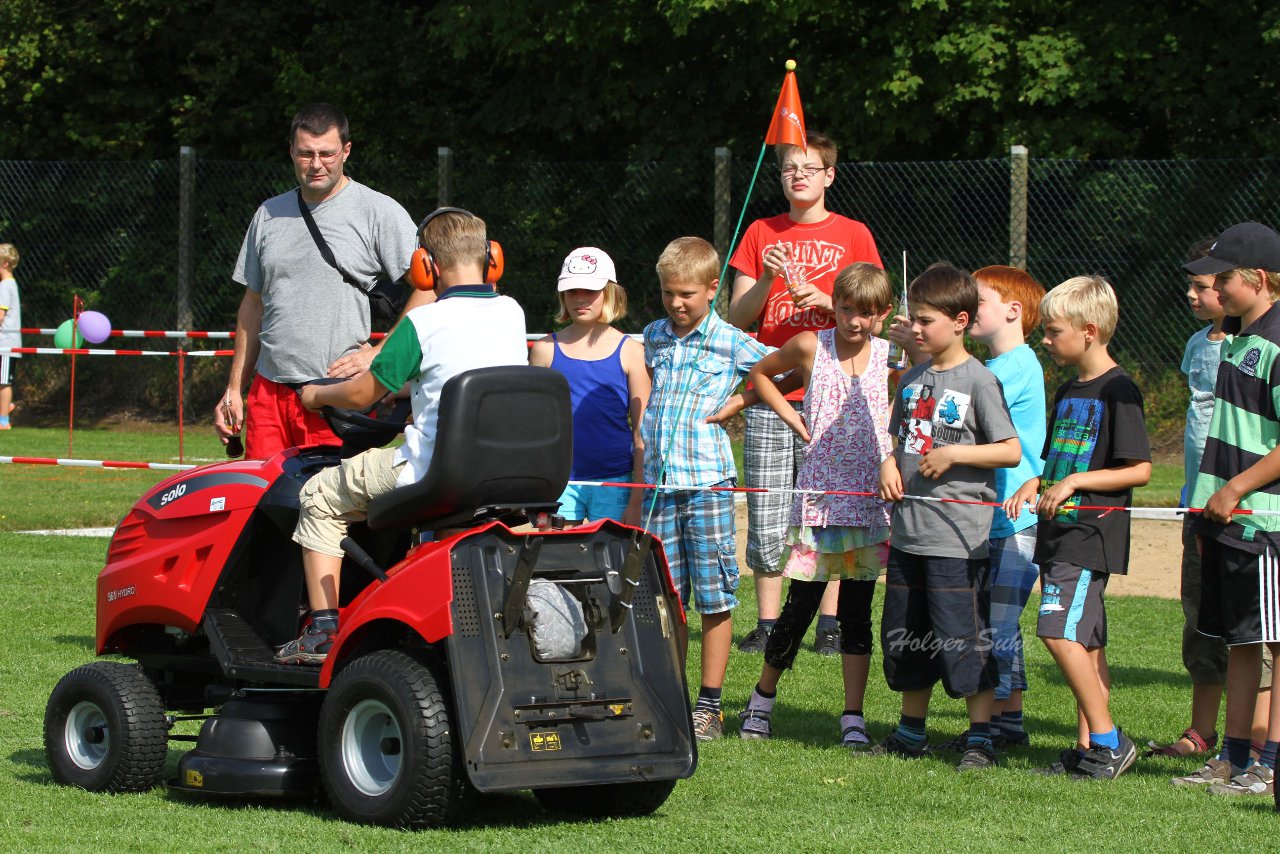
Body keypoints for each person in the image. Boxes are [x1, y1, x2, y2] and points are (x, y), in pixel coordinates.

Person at [275, 209, 527, 664]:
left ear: (424, 268)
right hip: (502, 472)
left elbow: (359, 393)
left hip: (435, 471)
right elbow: (466, 373)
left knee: (318, 496)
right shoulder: (511, 312)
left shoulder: (422, 323)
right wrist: (414, 390)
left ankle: (323, 633)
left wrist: (315, 395)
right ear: (492, 258)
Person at [728, 130, 883, 657]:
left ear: (829, 175)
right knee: (770, 509)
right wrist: (768, 282)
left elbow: (874, 311)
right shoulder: (760, 232)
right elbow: (735, 318)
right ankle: (769, 621)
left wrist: (825, 298)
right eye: (789, 168)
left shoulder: (855, 234)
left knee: (829, 509)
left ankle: (831, 624)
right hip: (772, 393)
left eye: (809, 168)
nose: (798, 176)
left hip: (836, 394)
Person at [735, 263, 893, 748]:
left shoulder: (891, 356)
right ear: (834, 305)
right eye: (846, 309)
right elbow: (761, 376)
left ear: (881, 315)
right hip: (818, 505)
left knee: (857, 613)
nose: (854, 321)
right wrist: (794, 419)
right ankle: (761, 700)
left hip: (867, 507)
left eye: (866, 313)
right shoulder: (810, 345)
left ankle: (853, 717)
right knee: (800, 605)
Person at [215, 103, 425, 460]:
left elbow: (430, 288)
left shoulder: (378, 211)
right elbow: (253, 304)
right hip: (268, 395)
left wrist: (380, 354)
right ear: (291, 152)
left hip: (334, 395)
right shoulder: (268, 213)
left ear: (346, 151)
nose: (316, 165)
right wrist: (234, 388)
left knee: (328, 510)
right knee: (262, 505)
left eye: (326, 153)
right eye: (305, 154)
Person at [873, 262, 1020, 772]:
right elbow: (896, 442)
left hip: (957, 543)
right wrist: (889, 464)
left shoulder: (980, 381)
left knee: (964, 640)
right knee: (907, 637)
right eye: (913, 319)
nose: (915, 329)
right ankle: (911, 733)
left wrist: (956, 455)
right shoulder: (912, 379)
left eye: (926, 321)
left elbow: (1009, 450)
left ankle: (980, 738)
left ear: (960, 321)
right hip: (909, 536)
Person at [1005, 275, 1151, 780]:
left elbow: (1139, 469)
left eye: (1052, 331)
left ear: (1089, 330)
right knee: (1085, 641)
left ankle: (1111, 741)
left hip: (1090, 538)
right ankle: (1090, 747)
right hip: (1058, 534)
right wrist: (1036, 483)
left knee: (1056, 631)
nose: (1044, 340)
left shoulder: (1119, 389)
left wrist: (1076, 484)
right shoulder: (1069, 389)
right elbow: (1060, 462)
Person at [642, 236, 772, 741]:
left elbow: (787, 369)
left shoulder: (731, 339)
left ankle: (709, 704)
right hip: (659, 485)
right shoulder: (654, 336)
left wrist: (741, 401)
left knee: (713, 596)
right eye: (669, 293)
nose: (677, 304)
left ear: (713, 289)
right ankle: (667, 694)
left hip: (707, 485)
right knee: (664, 598)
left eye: (688, 294)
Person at [1148, 238, 1272, 762]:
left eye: (1221, 280)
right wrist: (1206, 500)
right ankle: (1232, 755)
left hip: (1260, 519)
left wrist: (1235, 488)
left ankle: (1266, 758)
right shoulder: (1233, 344)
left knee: (1268, 641)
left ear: (1259, 279)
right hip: (1215, 515)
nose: (1212, 291)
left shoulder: (1275, 345)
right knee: (1227, 634)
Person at [936, 266, 1046, 753]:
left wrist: (927, 355)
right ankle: (1010, 720)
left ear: (1013, 311)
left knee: (998, 625)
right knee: (998, 622)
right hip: (995, 519)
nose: (969, 309)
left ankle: (1000, 724)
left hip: (1015, 521)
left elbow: (955, 408)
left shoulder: (1012, 367)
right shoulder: (1000, 366)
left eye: (977, 302)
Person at [529, 247, 649, 526]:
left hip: (616, 478)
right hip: (558, 481)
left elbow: (642, 432)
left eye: (590, 290)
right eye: (572, 290)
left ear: (610, 292)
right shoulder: (544, 350)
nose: (580, 298)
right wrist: (535, 490)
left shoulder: (631, 351)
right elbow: (533, 428)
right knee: (556, 564)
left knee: (612, 565)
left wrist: (636, 499)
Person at [0, 243, 20, 430]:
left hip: (5, 342)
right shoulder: (8, 284)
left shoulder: (5, 286)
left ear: (5, 264)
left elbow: (0, 315)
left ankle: (3, 420)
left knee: (4, 382)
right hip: (4, 341)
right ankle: (5, 406)